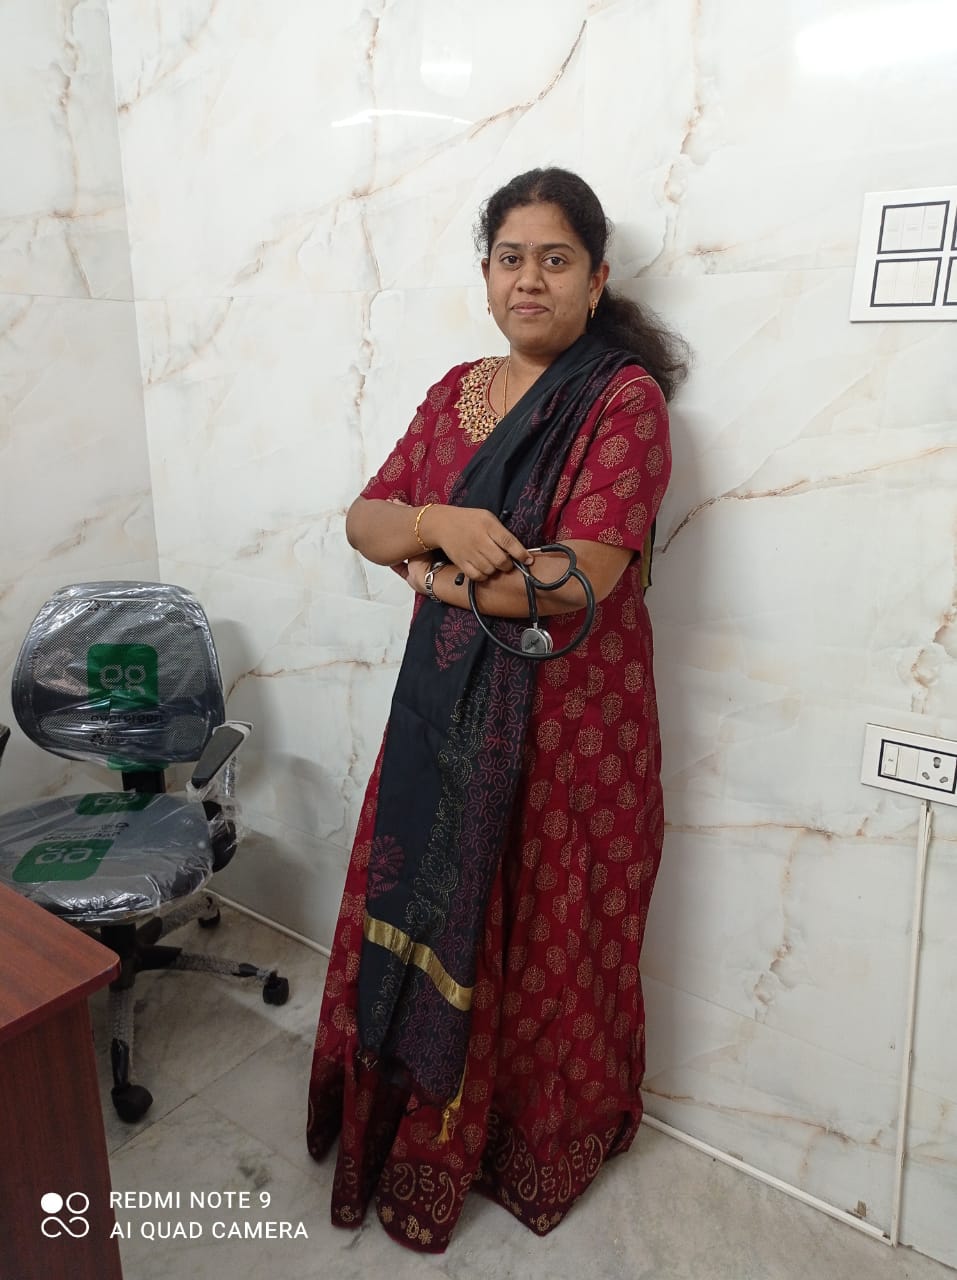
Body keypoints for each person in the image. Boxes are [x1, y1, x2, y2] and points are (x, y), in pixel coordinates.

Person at [306, 167, 689, 1253]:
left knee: (552, 933)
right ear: (485, 275)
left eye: (555, 259)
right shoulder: (455, 392)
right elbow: (366, 519)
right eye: (511, 258)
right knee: (429, 902)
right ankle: (415, 1124)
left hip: (572, 730)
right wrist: (437, 518)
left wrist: (431, 573)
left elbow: (576, 581)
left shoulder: (622, 401)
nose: (530, 279)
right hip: (443, 716)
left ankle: (526, 1138)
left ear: (595, 279)